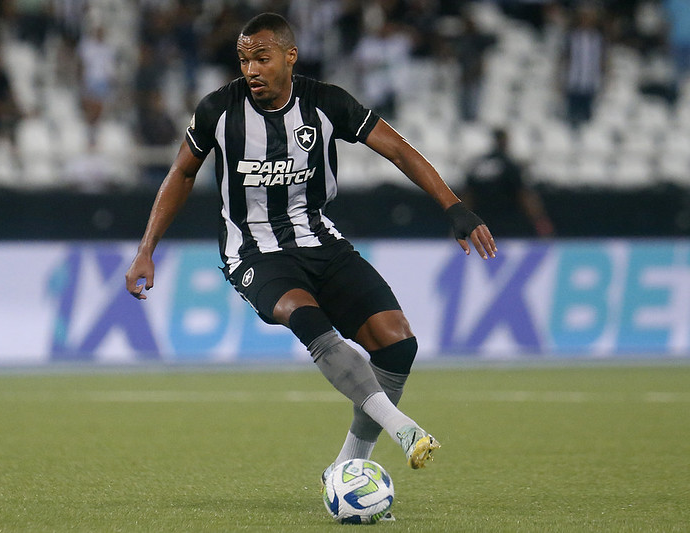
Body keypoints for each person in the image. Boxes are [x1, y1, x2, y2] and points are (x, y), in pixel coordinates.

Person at [124, 12, 495, 487]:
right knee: (307, 317)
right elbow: (181, 173)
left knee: (398, 342)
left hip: (319, 239)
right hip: (252, 252)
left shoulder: (325, 102)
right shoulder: (218, 110)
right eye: (243, 60)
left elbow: (398, 148)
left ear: (289, 56)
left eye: (262, 57)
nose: (251, 70)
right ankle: (402, 429)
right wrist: (146, 249)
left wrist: (454, 207)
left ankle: (344, 468)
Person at [463, 128, 554, 238]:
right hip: (507, 223)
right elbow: (524, 195)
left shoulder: (477, 165)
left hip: (480, 223)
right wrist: (540, 220)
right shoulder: (510, 165)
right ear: (505, 141)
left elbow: (467, 197)